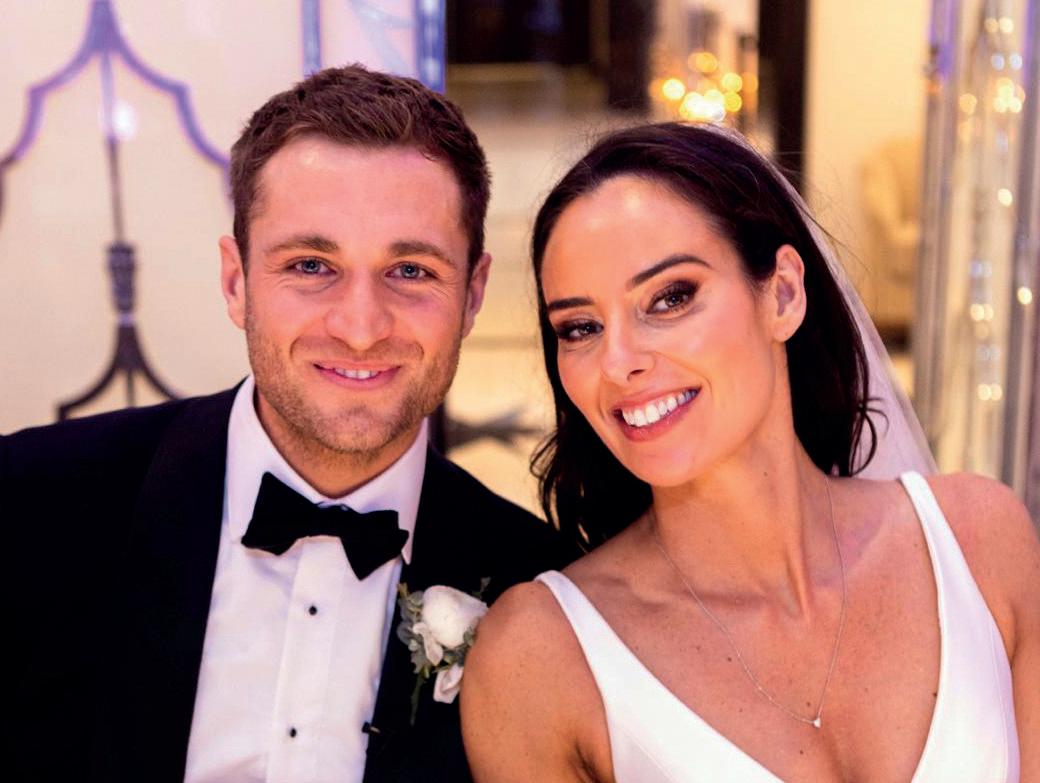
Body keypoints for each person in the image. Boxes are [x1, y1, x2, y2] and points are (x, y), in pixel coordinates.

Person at [3, 65, 577, 783]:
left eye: (410, 271)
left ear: (473, 294)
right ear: (236, 280)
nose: (361, 328)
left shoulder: (539, 590)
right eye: (311, 265)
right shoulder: (29, 505)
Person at [461, 122, 1038, 782]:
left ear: (783, 293)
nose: (618, 363)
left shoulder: (979, 542)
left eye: (670, 298)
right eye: (580, 327)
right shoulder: (539, 658)